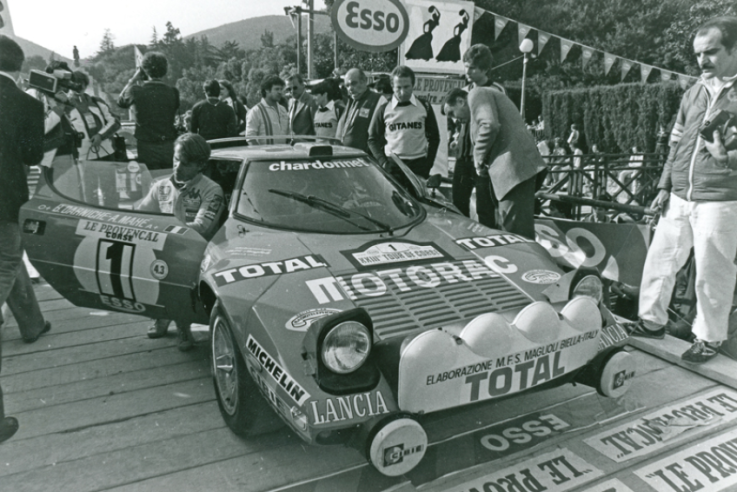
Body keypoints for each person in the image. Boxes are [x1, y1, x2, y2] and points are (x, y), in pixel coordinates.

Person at [629, 16, 737, 363]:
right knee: (660, 261)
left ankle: (709, 337)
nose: (701, 61)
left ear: (734, 50)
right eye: (697, 54)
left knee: (712, 272)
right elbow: (675, 144)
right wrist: (663, 185)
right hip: (679, 195)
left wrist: (728, 159)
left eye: (711, 52)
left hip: (721, 198)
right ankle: (650, 322)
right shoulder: (693, 92)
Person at [0, 35, 47, 444]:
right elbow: (32, 157)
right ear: (18, 67)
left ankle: (32, 324)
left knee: (8, 268)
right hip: (4, 203)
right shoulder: (27, 103)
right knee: (6, 264)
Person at [138, 133, 225, 350]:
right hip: (164, 248)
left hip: (198, 252)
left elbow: (202, 228)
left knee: (176, 270)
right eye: (176, 159)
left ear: (200, 165)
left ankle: (183, 326)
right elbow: (141, 215)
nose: (177, 167)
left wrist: (162, 232)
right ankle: (161, 315)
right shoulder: (161, 186)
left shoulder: (212, 190)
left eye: (185, 164)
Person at [443, 87, 543, 239]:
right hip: (516, 172)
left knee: (515, 237)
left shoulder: (476, 94)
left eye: (452, 113)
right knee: (515, 234)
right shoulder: (476, 111)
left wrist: (478, 158)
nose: (454, 120)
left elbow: (490, 125)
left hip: (514, 171)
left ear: (460, 101)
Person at [450, 44, 506, 229]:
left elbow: (495, 124)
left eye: (472, 68)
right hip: (463, 155)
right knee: (458, 203)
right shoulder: (464, 91)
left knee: (485, 207)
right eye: (466, 66)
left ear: (485, 69)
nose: (467, 71)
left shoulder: (495, 90)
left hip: (484, 159)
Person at [367, 65, 440, 181]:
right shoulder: (384, 109)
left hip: (418, 165)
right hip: (393, 165)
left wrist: (428, 165)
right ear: (392, 86)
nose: (403, 92)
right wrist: (383, 163)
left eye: (406, 87)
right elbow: (372, 139)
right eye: (398, 87)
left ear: (413, 85)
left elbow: (434, 137)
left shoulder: (424, 106)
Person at [118, 51, 180, 170]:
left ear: (144, 71)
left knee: (151, 181)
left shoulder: (136, 90)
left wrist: (132, 80)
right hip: (168, 143)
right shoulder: (173, 91)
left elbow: (121, 101)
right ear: (165, 70)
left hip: (147, 145)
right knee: (169, 178)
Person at [67, 71, 121, 160]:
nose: (78, 87)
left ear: (85, 84)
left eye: (81, 84)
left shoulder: (96, 101)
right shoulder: (65, 106)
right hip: (82, 157)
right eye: (74, 84)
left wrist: (100, 136)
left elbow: (115, 122)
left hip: (106, 152)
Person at [336, 68, 386, 154]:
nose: (350, 88)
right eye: (347, 85)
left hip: (366, 159)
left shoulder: (378, 100)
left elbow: (382, 134)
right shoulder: (350, 102)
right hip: (347, 157)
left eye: (353, 83)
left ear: (364, 81)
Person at [245, 75, 289, 144]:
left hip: (284, 153)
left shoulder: (283, 109)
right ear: (267, 90)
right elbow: (250, 138)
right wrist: (261, 153)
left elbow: (289, 134)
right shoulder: (255, 111)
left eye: (281, 89)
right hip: (265, 154)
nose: (280, 92)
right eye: (277, 89)